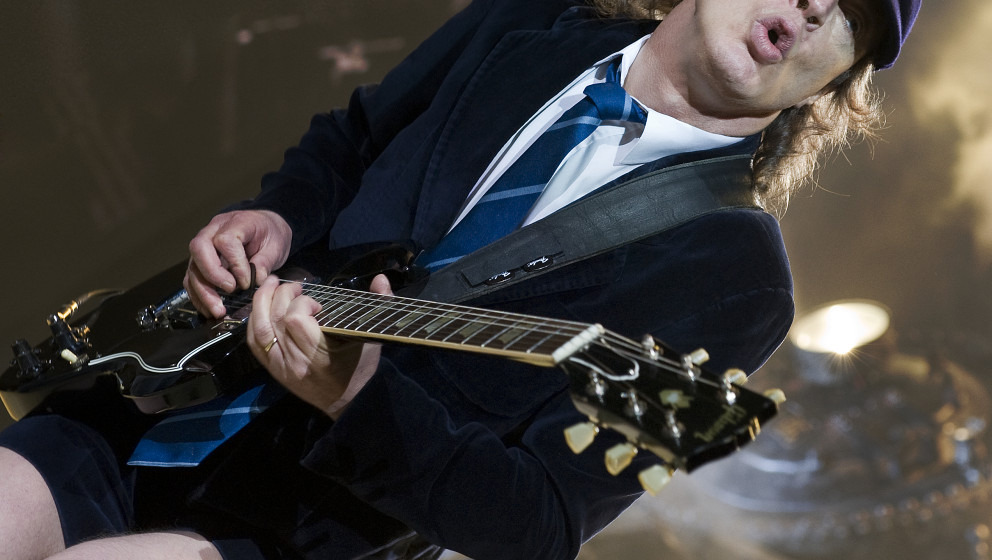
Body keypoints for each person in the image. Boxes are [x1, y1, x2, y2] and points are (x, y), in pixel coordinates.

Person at [0, 0, 921, 559]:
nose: (813, 7)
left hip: (285, 528)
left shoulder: (742, 283)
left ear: (836, 82)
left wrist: (356, 398)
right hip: (158, 393)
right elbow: (352, 141)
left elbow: (541, 525)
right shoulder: (526, 22)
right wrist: (276, 215)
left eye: (854, 15)